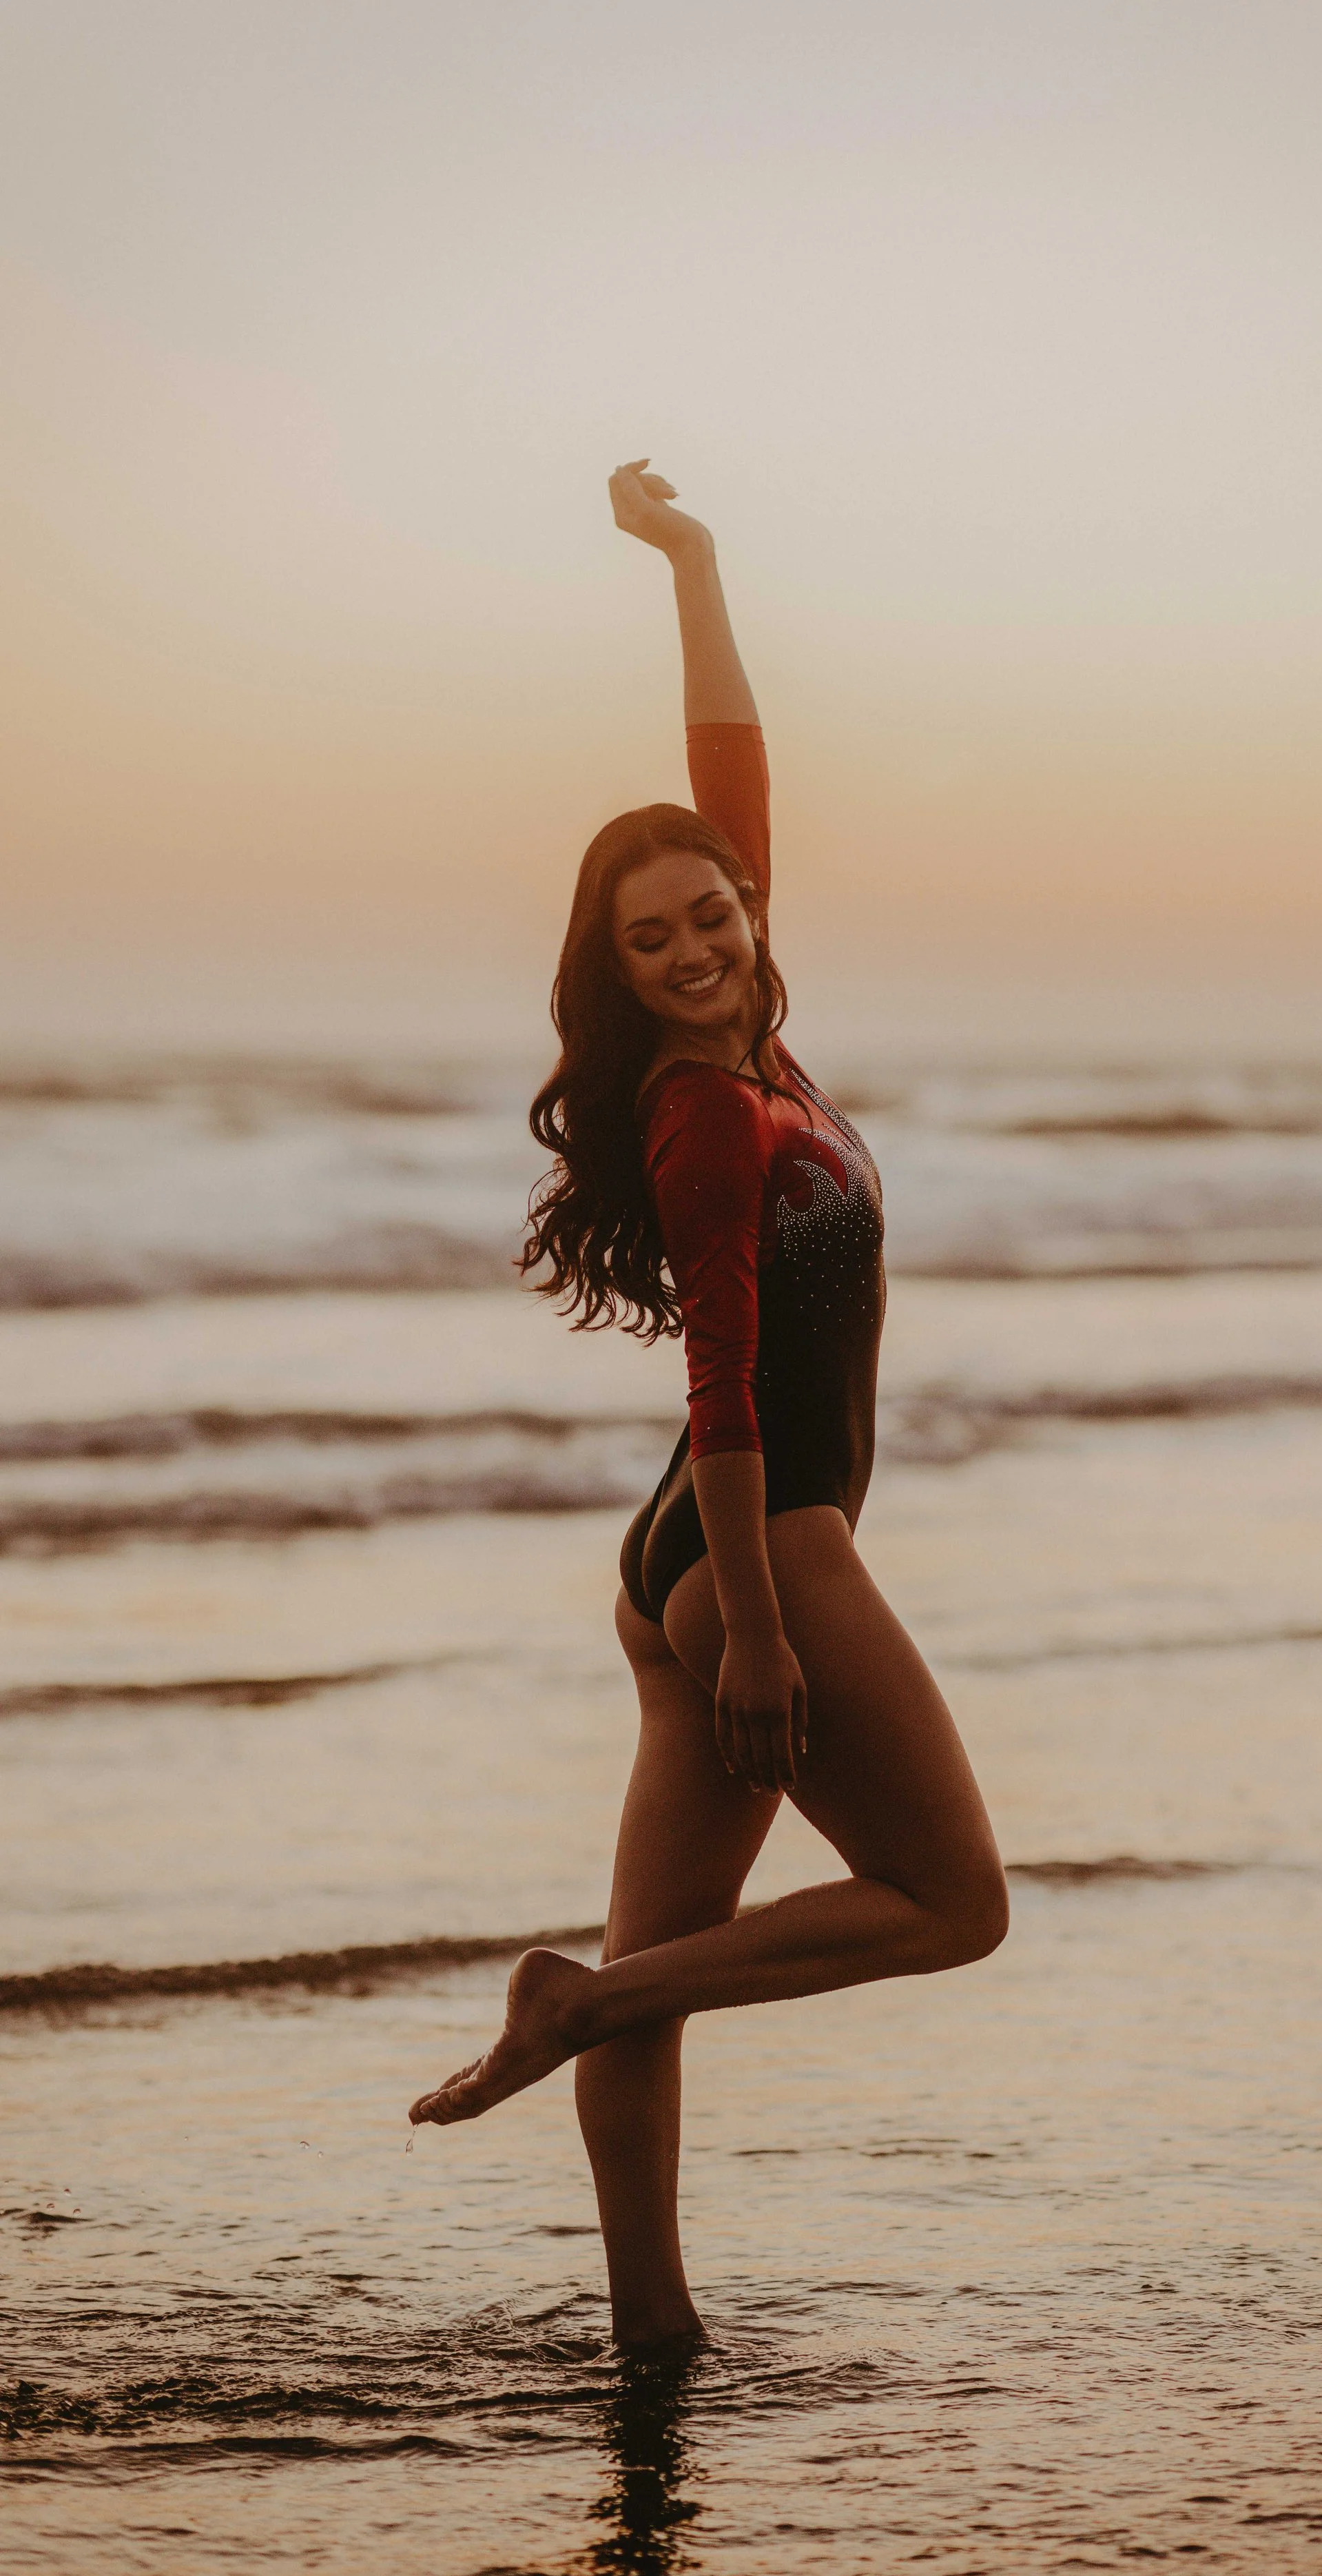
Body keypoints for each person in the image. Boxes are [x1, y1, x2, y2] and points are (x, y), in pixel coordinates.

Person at [409, 462, 1009, 2351]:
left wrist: (694, 563)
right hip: (758, 1536)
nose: (693, 945)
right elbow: (727, 1382)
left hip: (684, 1538)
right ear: (614, 970)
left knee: (664, 1962)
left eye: (709, 914)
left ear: (745, 911)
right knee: (949, 1900)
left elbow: (729, 769)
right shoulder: (701, 1109)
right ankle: (575, 2004)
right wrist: (755, 1625)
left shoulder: (756, 1038)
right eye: (649, 940)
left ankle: (650, 2330)